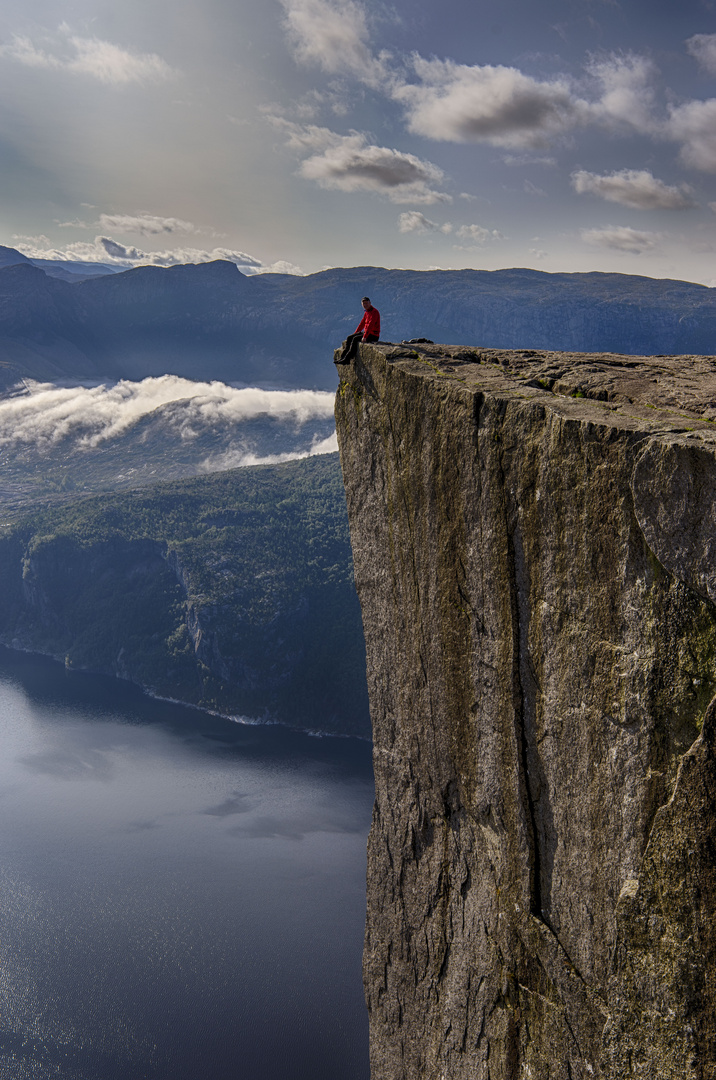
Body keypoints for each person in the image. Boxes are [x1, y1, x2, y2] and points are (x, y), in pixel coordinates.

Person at [335, 297, 380, 364]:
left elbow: (370, 325)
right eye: (363, 304)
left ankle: (347, 359)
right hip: (368, 333)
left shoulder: (374, 312)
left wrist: (364, 337)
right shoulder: (367, 312)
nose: (365, 305)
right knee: (350, 337)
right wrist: (356, 333)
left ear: (370, 303)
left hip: (373, 335)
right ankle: (342, 357)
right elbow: (362, 323)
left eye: (366, 303)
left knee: (355, 339)